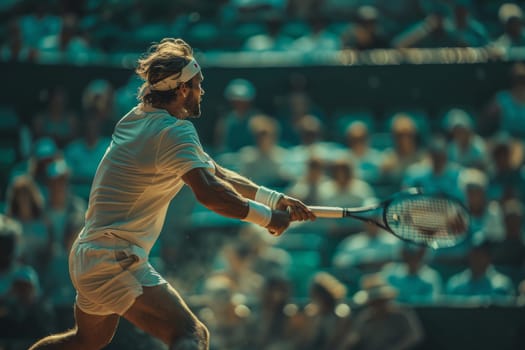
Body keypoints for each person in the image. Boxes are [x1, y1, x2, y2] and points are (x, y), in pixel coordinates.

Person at [29, 37, 315, 350]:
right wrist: (267, 218)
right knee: (192, 336)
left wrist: (274, 199)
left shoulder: (137, 119)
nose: (202, 91)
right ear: (181, 90)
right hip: (113, 258)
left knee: (83, 342)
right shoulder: (174, 131)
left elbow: (215, 171)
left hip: (88, 254)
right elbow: (209, 193)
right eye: (198, 84)